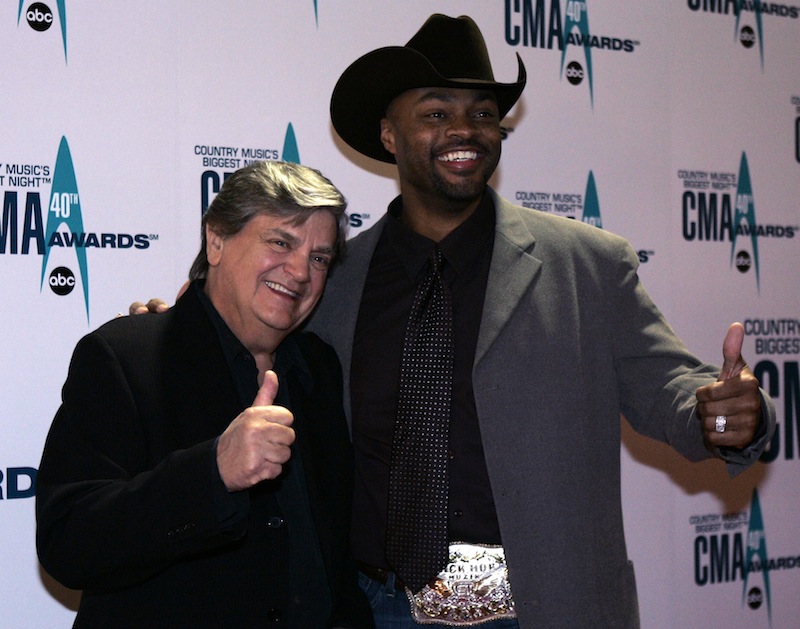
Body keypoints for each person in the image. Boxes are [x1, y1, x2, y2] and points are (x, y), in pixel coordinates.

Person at [131, 15, 776, 629]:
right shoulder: (333, 279)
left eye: (483, 115)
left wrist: (721, 415)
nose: (464, 130)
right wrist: (179, 331)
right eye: (436, 113)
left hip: (541, 607)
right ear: (389, 135)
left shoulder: (588, 265)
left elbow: (672, 387)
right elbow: (253, 344)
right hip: (371, 608)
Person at [37, 161, 374, 629]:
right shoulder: (124, 357)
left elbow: (332, 562)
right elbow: (69, 543)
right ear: (216, 240)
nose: (300, 271)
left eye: (319, 257)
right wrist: (212, 474)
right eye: (280, 242)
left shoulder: (319, 365)